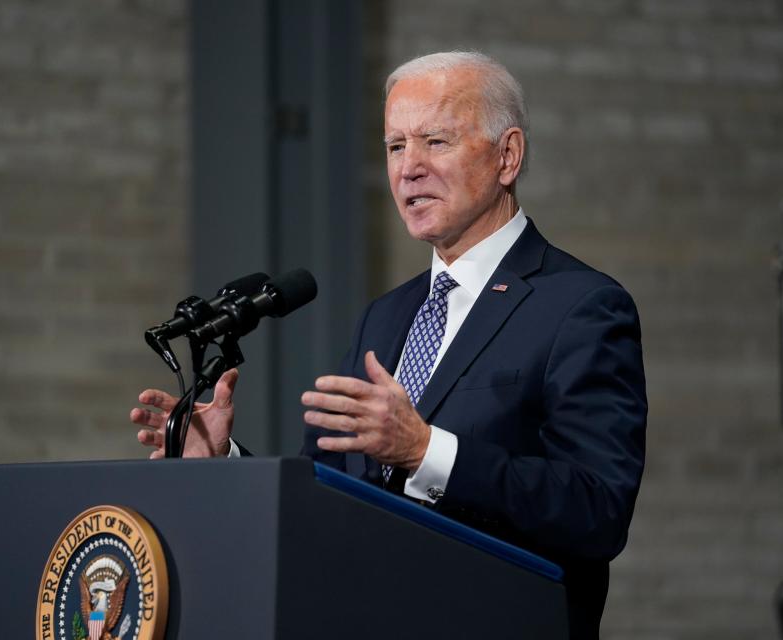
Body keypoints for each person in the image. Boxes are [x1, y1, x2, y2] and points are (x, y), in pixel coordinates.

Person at [131, 51, 646, 639]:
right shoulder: (388, 315)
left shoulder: (580, 306)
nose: (410, 168)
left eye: (435, 141)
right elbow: (325, 494)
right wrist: (224, 464)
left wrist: (426, 450)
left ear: (508, 156)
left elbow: (597, 511)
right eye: (396, 146)